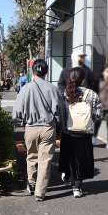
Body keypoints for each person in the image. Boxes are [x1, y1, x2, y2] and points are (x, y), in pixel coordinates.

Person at [12, 58, 64, 202]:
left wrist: (17, 130)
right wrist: (60, 130)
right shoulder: (53, 89)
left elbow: (17, 113)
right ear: (46, 72)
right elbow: (60, 111)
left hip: (30, 128)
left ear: (32, 71)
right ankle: (40, 193)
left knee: (31, 157)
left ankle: (32, 184)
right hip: (48, 128)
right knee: (45, 160)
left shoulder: (25, 89)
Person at [58, 67, 99, 198]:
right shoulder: (91, 94)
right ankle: (77, 186)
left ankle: (70, 179)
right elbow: (98, 114)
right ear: (82, 79)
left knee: (70, 158)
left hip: (68, 131)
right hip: (84, 132)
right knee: (81, 159)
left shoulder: (65, 92)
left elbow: (60, 112)